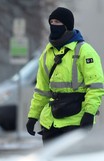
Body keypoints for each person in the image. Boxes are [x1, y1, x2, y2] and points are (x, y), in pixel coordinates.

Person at [26, 7, 104, 144]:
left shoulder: (85, 51)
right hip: (51, 122)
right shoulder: (47, 54)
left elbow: (96, 86)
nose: (53, 25)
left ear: (67, 26)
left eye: (58, 22)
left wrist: (89, 113)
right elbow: (42, 90)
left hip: (75, 122)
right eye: (52, 22)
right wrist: (33, 116)